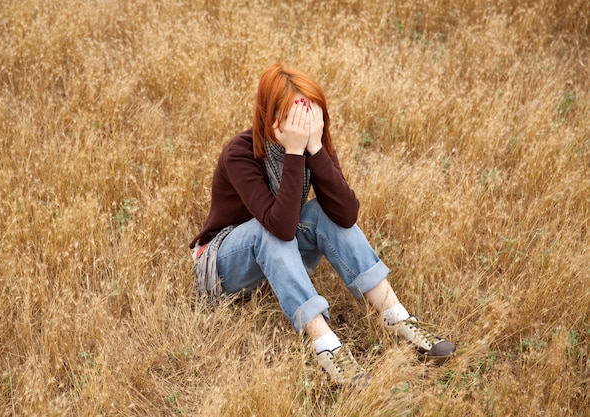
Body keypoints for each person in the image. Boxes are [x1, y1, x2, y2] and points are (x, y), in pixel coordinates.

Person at [189, 63, 456, 385]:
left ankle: (398, 318)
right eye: (296, 118)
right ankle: (326, 346)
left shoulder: (315, 143)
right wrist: (293, 152)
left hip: (279, 254)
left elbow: (345, 214)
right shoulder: (239, 153)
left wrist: (314, 148)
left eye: (312, 116)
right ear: (269, 118)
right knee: (269, 230)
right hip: (222, 265)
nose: (306, 126)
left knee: (322, 212)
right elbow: (281, 227)